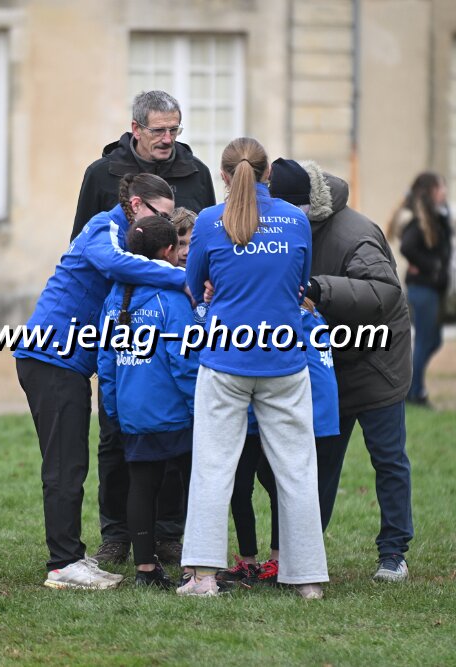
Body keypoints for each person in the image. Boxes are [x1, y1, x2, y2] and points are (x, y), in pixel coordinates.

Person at [14, 173, 184, 590]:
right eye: (161, 216)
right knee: (65, 465)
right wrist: (184, 278)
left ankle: (71, 556)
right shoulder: (102, 227)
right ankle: (63, 564)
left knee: (72, 462)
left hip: (67, 361)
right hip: (50, 357)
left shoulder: (124, 238)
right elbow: (114, 264)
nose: (165, 226)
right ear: (136, 205)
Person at [72, 91, 216, 567]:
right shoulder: (102, 174)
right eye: (159, 130)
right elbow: (85, 247)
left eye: (175, 129)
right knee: (115, 436)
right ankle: (117, 534)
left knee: (176, 435)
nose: (168, 138)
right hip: (123, 318)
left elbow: (208, 244)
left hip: (179, 314)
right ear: (136, 129)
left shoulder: (196, 175)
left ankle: (169, 532)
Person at [179, 138, 327, 600]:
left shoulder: (208, 221)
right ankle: (308, 579)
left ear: (224, 176)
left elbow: (193, 282)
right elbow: (300, 283)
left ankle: (203, 577)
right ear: (269, 174)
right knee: (297, 470)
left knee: (212, 466)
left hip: (226, 356)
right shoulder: (297, 220)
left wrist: (215, 294)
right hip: (283, 356)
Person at [270, 158, 414, 582]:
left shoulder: (355, 233)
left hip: (378, 362)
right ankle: (301, 556)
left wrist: (320, 288)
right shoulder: (283, 226)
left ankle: (393, 553)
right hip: (326, 363)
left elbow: (385, 292)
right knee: (317, 463)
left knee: (388, 458)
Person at [97, 216, 199, 590]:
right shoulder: (172, 298)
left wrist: (114, 408)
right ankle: (195, 568)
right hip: (173, 412)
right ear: (169, 251)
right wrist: (198, 406)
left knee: (141, 486)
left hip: (133, 412)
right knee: (193, 486)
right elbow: (183, 360)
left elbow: (106, 360)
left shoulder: (115, 296)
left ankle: (145, 569)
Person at [218, 299, 341, 587]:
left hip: (289, 414)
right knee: (259, 481)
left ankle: (275, 560)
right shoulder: (311, 314)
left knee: (264, 482)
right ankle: (267, 559)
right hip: (310, 414)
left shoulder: (282, 316)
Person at [388, 172, 454, 408]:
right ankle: (413, 392)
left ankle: (414, 389)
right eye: (441, 187)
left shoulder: (438, 215)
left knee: (432, 340)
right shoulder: (418, 218)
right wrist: (432, 266)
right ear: (431, 191)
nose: (444, 192)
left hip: (431, 288)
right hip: (422, 289)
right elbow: (407, 247)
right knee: (426, 340)